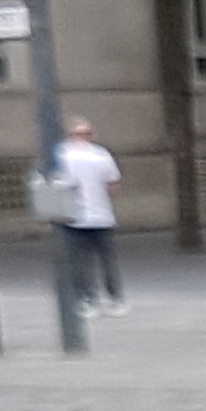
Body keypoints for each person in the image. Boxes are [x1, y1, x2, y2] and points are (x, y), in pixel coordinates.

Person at [51, 116, 125, 317]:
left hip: (73, 218)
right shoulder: (101, 155)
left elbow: (53, 182)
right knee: (107, 260)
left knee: (79, 263)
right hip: (101, 216)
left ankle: (87, 300)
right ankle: (115, 299)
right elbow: (113, 186)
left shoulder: (61, 154)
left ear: (71, 135)